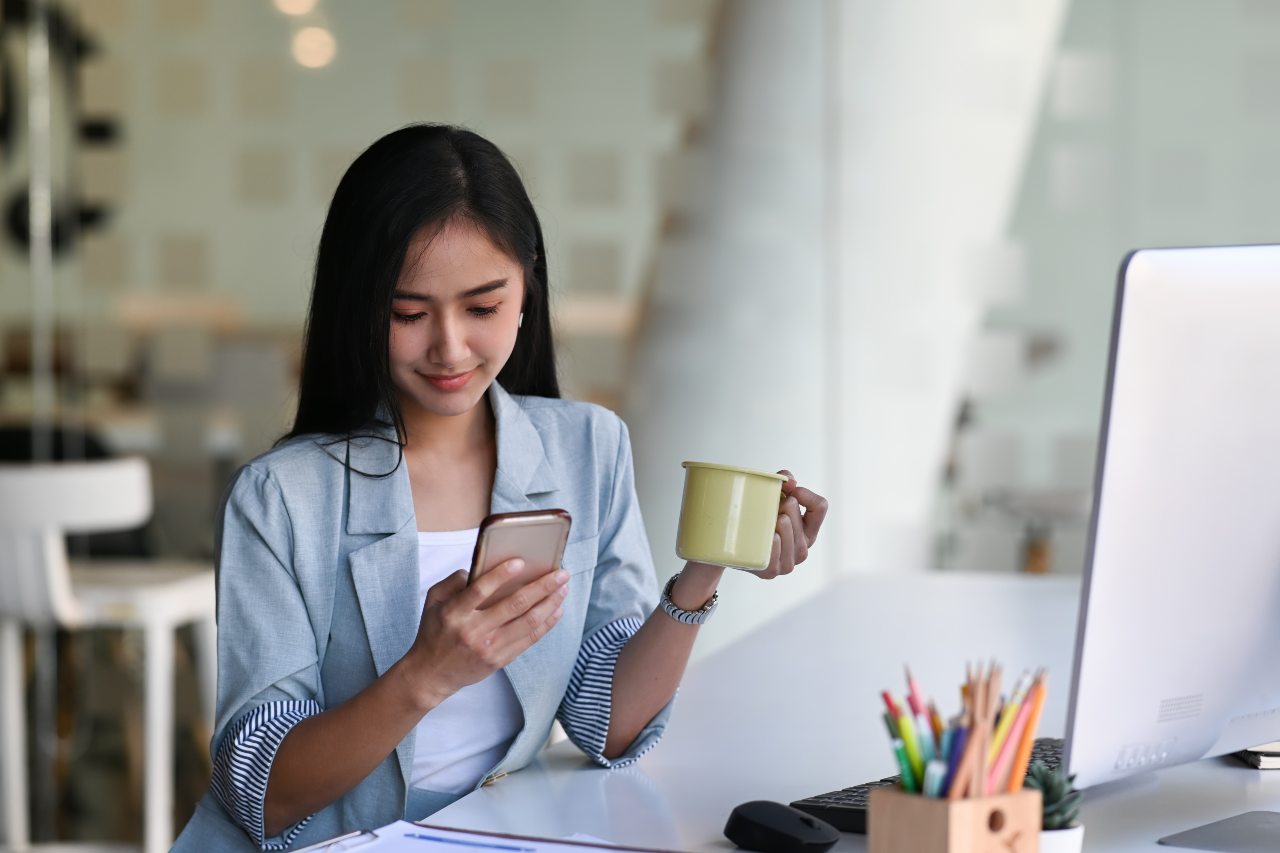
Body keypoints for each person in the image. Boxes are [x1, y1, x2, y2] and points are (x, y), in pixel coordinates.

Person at [172, 124, 828, 851]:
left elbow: (602, 722)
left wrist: (704, 570)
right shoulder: (281, 497)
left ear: (526, 287)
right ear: (359, 305)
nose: (450, 347)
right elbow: (261, 792)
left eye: (482, 307)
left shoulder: (587, 447)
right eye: (407, 313)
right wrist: (426, 673)